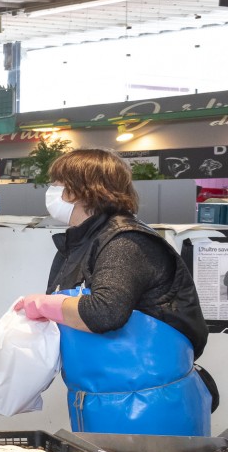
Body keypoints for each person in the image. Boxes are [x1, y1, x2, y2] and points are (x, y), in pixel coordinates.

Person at [17, 148, 212, 435]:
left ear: (81, 190)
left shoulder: (125, 241)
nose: (53, 192)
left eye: (59, 184)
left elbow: (105, 312)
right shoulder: (84, 242)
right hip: (98, 403)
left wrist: (44, 305)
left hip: (151, 409)